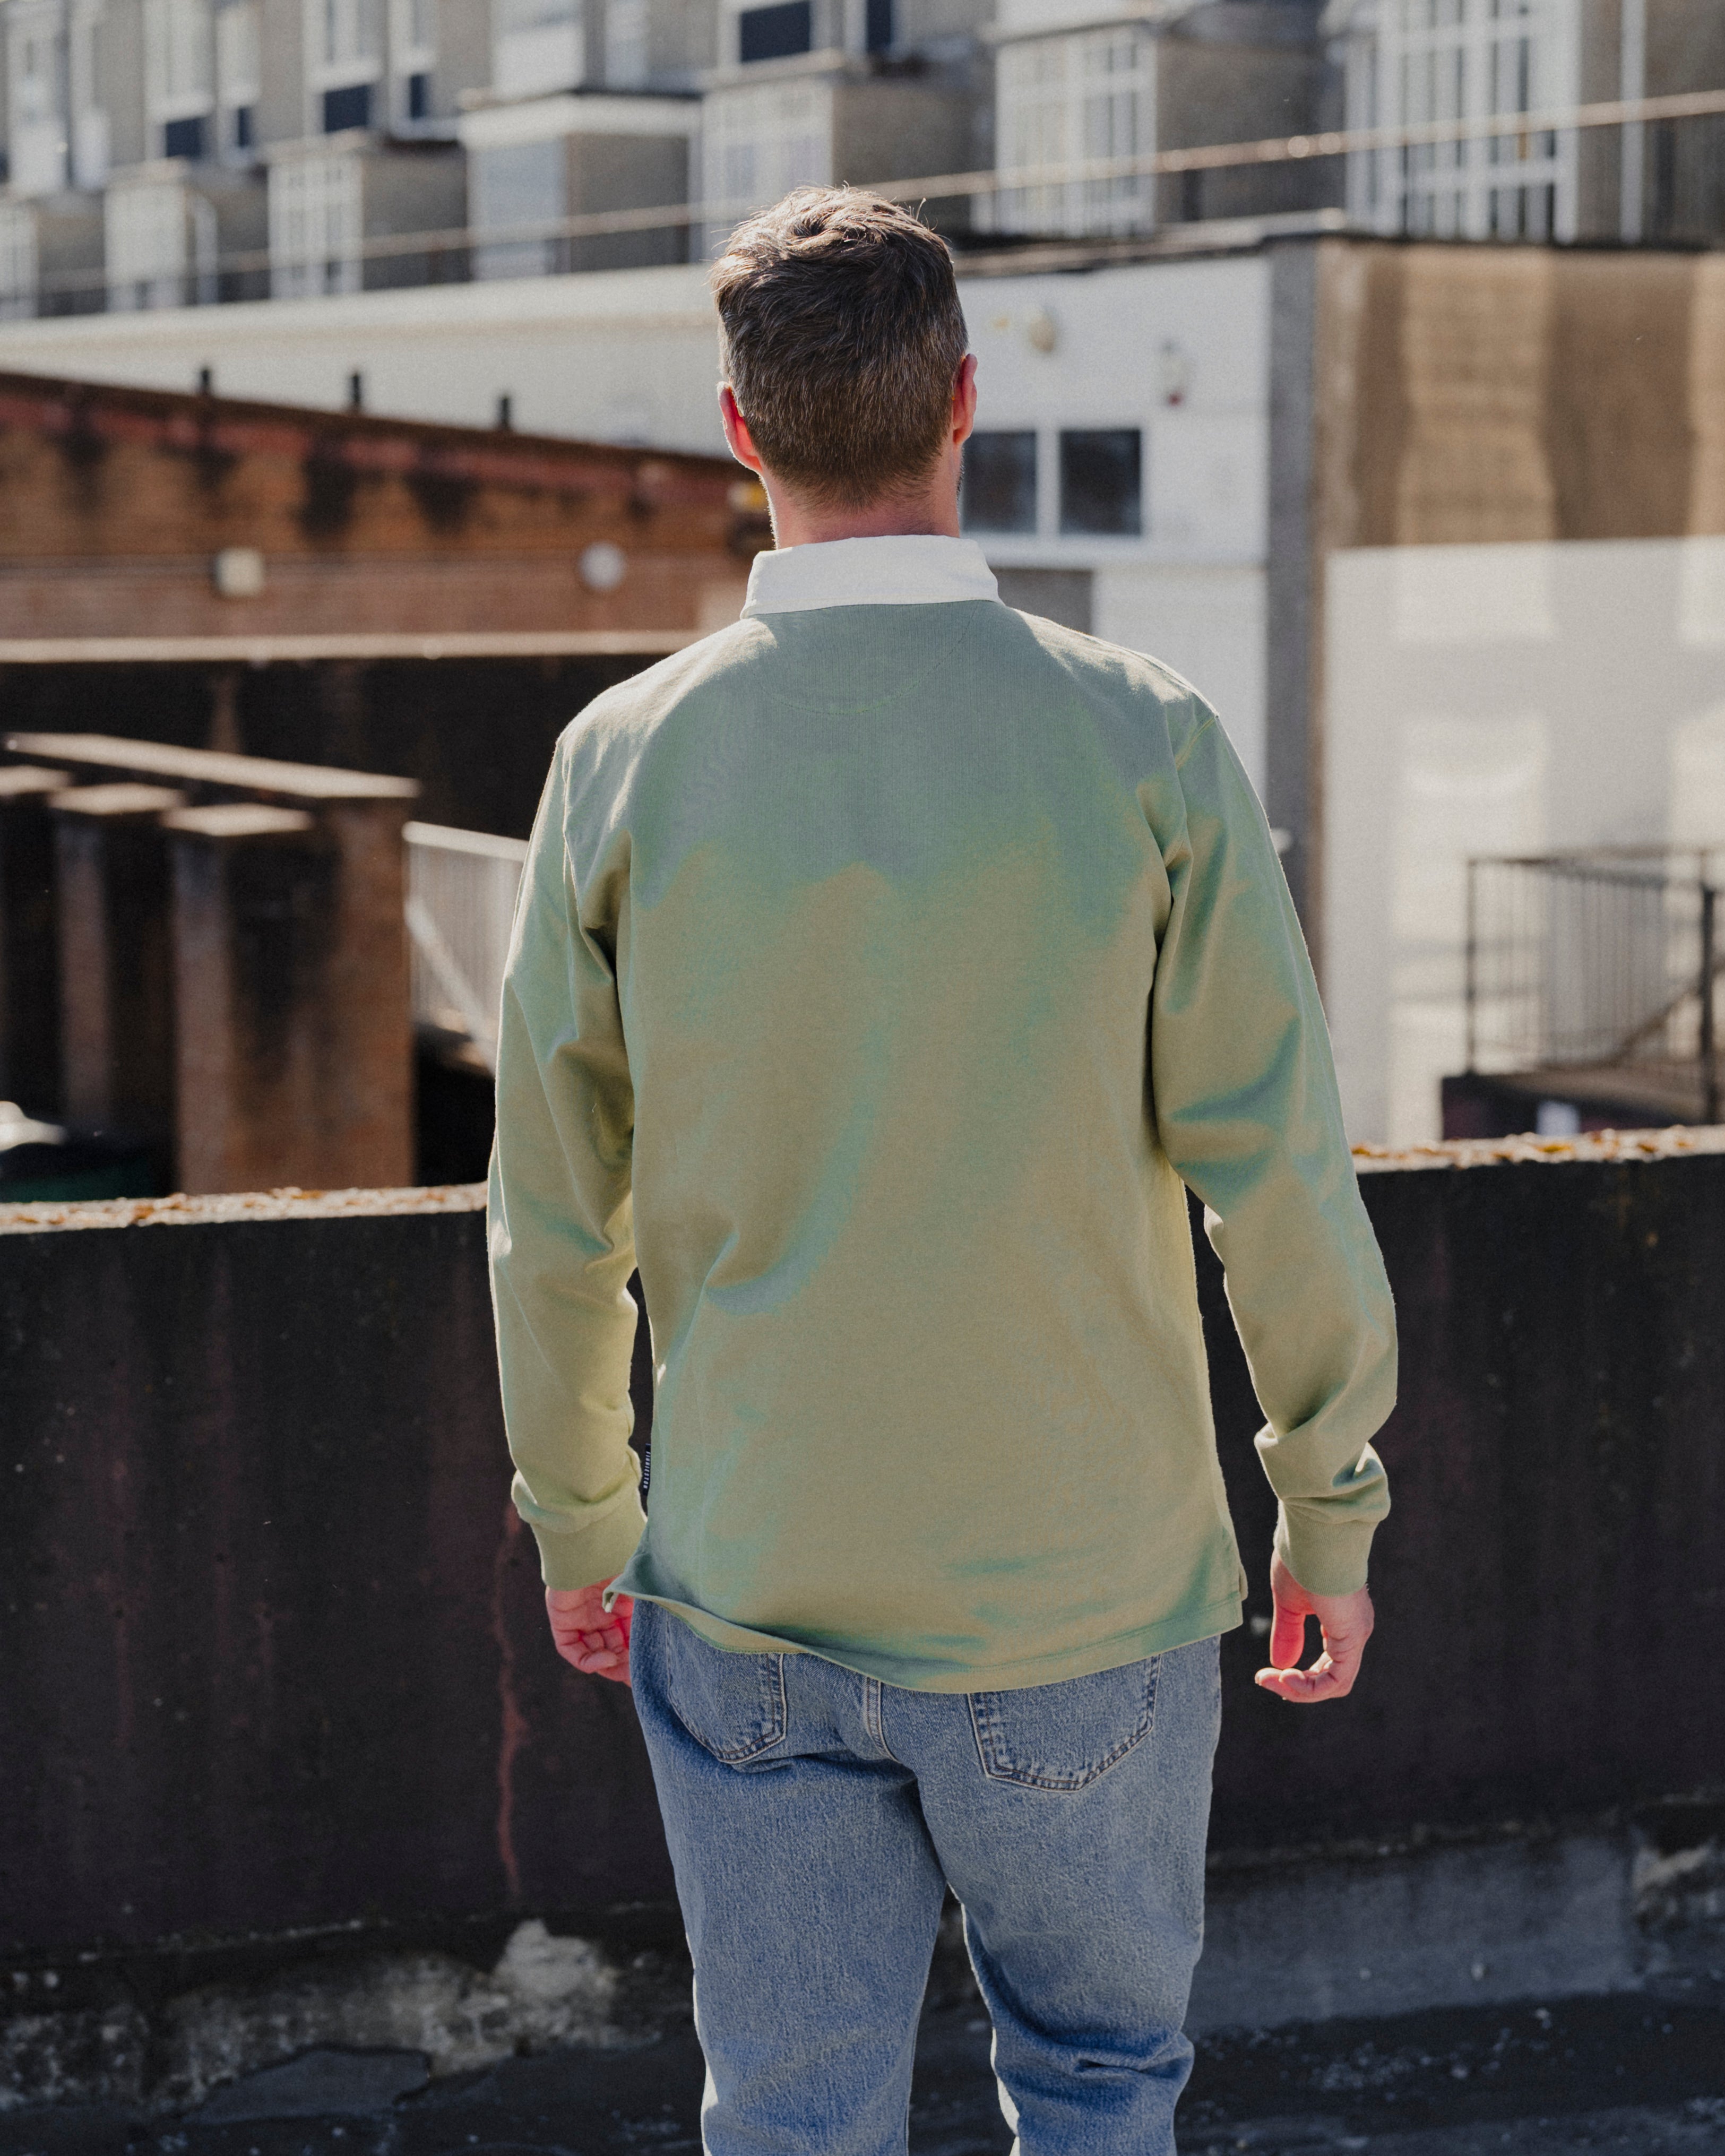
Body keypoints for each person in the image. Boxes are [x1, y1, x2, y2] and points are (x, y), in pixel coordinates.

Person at [488, 186, 1395, 2156]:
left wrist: (579, 1514)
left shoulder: (619, 761)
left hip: (747, 1587)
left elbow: (555, 1216)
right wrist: (1326, 1501)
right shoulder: (1144, 742)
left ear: (738, 429)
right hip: (1086, 1603)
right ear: (964, 401)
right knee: (1096, 2079)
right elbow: (1274, 1171)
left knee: (790, 2115)